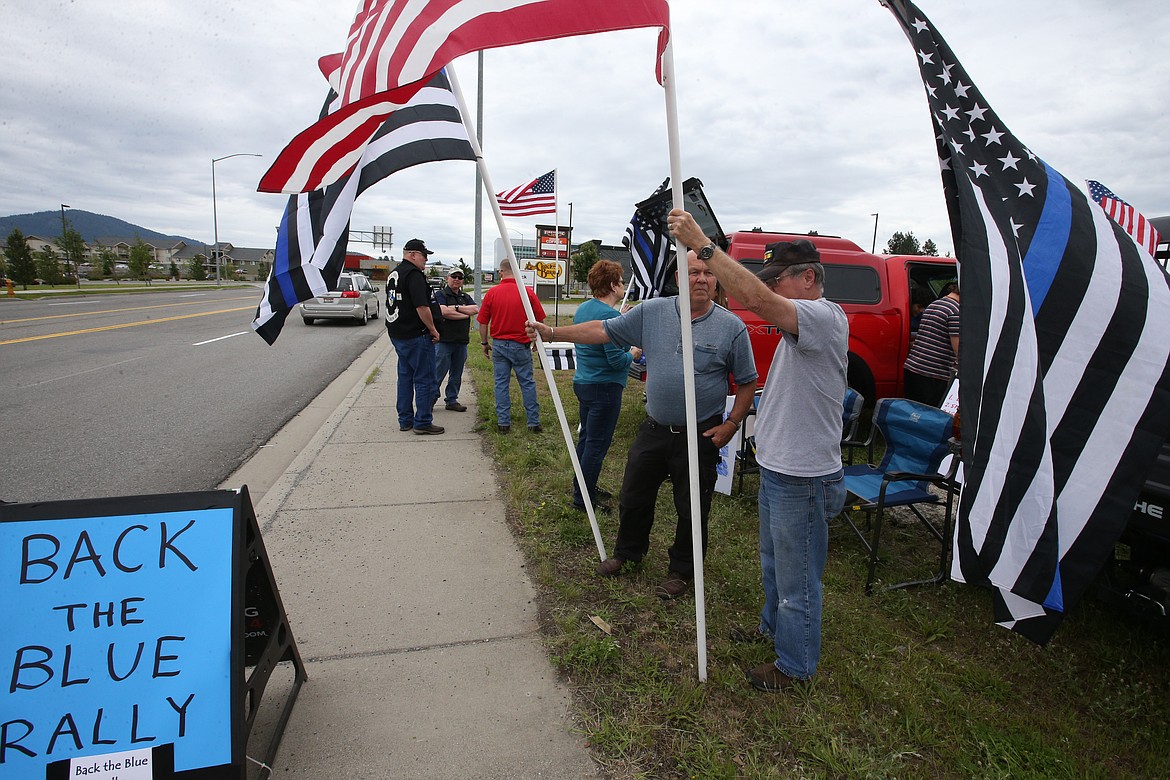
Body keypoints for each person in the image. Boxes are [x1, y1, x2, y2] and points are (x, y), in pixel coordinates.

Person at [669, 209, 847, 693]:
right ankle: (774, 628)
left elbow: (754, 299)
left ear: (808, 277)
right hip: (781, 467)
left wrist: (704, 247)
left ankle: (795, 664)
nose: (770, 289)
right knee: (775, 563)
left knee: (797, 577)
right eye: (768, 279)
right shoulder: (803, 326)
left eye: (779, 280)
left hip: (803, 474)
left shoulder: (823, 316)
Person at [526, 251, 757, 600]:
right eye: (694, 272)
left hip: (700, 433)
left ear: (717, 280)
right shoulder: (653, 312)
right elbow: (602, 330)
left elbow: (747, 381)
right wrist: (551, 331)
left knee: (692, 507)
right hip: (655, 429)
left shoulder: (731, 327)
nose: (702, 279)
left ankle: (681, 570)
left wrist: (733, 424)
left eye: (709, 273)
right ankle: (628, 553)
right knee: (633, 496)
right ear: (679, 277)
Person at [569, 260, 642, 513]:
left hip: (585, 382)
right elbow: (615, 361)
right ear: (613, 285)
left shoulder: (584, 309)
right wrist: (633, 351)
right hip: (604, 386)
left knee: (587, 439)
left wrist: (620, 321)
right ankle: (583, 499)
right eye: (621, 282)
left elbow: (599, 335)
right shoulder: (608, 315)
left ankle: (583, 485)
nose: (623, 286)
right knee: (596, 446)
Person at [477, 260, 545, 433]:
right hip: (521, 344)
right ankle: (533, 423)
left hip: (499, 345)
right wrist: (538, 340)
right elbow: (540, 319)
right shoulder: (527, 292)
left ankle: (503, 423)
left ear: (501, 272)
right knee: (527, 383)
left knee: (501, 384)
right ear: (517, 271)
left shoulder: (492, 293)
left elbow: (483, 322)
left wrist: (485, 343)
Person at [386, 238, 444, 435]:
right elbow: (422, 306)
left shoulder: (395, 273)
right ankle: (423, 421)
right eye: (424, 256)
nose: (425, 261)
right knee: (425, 379)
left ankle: (405, 419)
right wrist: (433, 329)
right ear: (412, 254)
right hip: (415, 334)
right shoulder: (414, 275)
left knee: (405, 377)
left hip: (398, 333)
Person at [903, 282, 960, 405]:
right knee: (926, 417)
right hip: (932, 374)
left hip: (912, 368)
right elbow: (958, 350)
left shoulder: (935, 304)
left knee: (910, 414)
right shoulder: (956, 311)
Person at [432, 268, 479, 412]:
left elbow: (475, 309)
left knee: (456, 374)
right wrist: (464, 313)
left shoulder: (465, 297)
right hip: (444, 341)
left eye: (460, 277)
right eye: (454, 276)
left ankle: (452, 400)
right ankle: (429, 399)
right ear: (447, 278)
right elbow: (443, 312)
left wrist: (456, 308)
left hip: (461, 342)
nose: (457, 279)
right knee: (438, 373)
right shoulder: (440, 294)